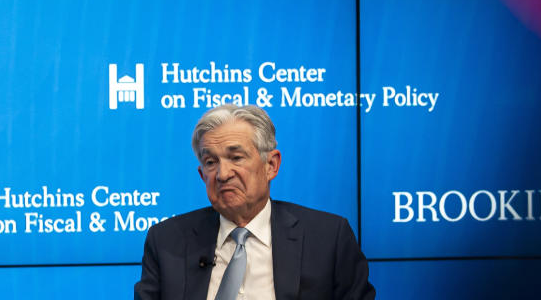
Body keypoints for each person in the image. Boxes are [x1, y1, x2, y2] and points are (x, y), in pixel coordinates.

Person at [133, 104, 374, 300]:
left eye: (236, 157)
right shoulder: (166, 241)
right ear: (202, 174)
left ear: (271, 165)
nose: (223, 173)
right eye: (210, 162)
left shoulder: (328, 237)